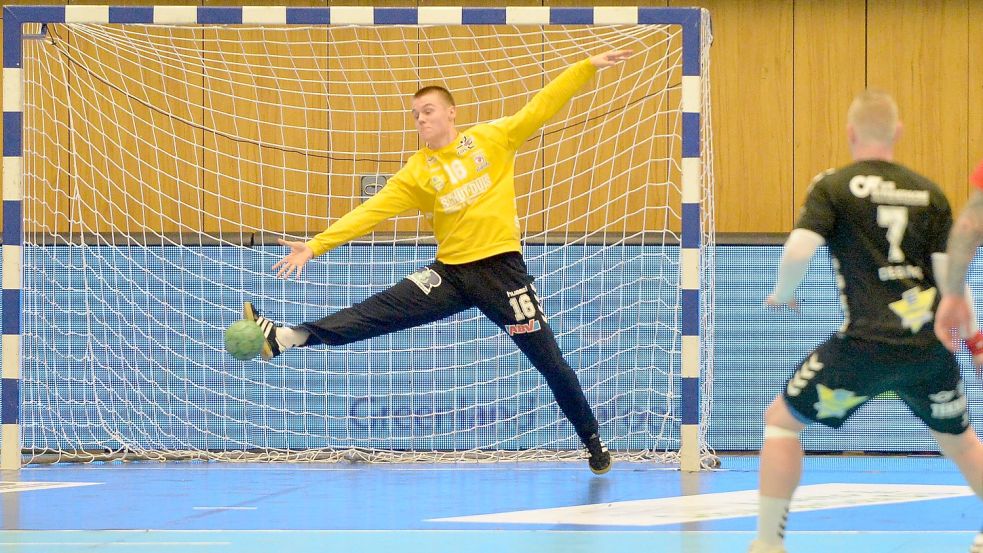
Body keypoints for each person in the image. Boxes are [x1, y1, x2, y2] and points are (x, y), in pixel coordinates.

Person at [242, 49, 635, 475]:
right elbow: (370, 212)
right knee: (376, 312)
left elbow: (540, 106)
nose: (421, 119)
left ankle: (591, 439)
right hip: (450, 274)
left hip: (502, 273)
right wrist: (315, 245)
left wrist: (585, 67)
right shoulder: (416, 172)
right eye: (415, 115)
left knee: (549, 361)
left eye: (428, 110)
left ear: (451, 113)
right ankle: (286, 338)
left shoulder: (491, 139)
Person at [749, 90, 983, 553]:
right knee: (961, 443)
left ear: (851, 133)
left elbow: (799, 248)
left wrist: (784, 292)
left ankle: (768, 543)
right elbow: (952, 281)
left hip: (862, 348)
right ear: (897, 133)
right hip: (928, 350)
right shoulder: (929, 192)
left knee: (781, 423)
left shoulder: (833, 186)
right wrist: (974, 340)